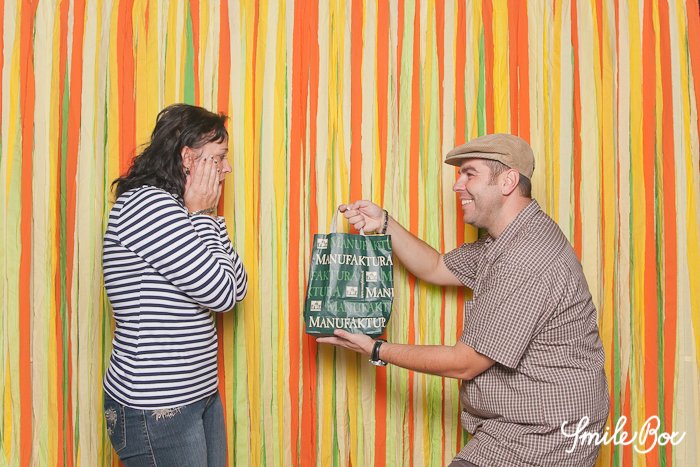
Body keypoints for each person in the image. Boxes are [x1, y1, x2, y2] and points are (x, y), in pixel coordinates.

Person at [318, 133, 609, 466]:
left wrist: (375, 349)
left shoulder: (526, 256)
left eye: (469, 174)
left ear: (508, 181)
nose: (457, 185)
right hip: (512, 428)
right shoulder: (505, 239)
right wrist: (384, 222)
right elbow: (436, 266)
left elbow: (464, 362)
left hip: (544, 437)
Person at [102, 103, 248, 467]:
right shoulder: (148, 206)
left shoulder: (182, 209)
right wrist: (203, 215)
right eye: (219, 157)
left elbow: (237, 286)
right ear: (188, 158)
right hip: (158, 406)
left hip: (198, 393)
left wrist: (204, 217)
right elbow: (222, 294)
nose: (227, 168)